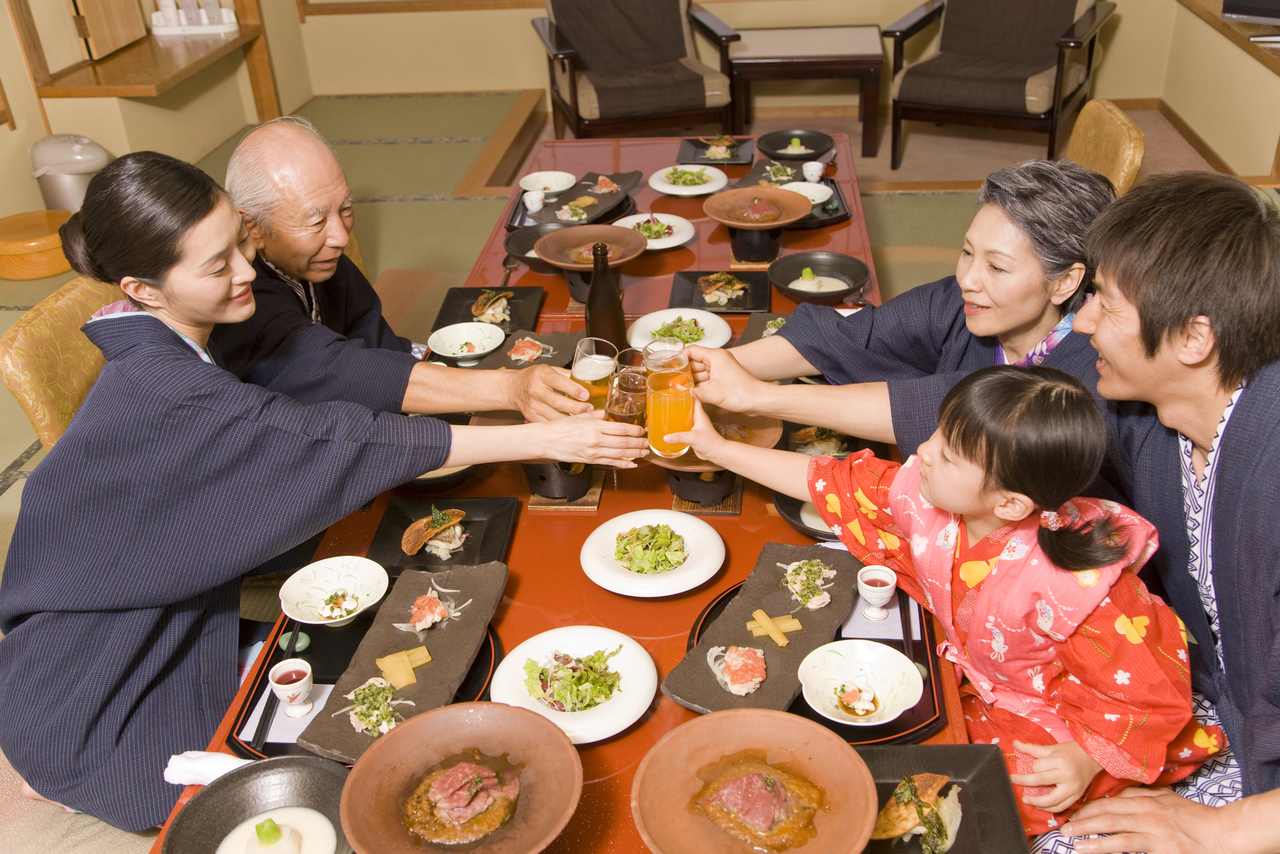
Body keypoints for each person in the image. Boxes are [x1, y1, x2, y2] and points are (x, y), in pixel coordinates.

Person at [0, 152, 645, 832]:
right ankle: (61, 775)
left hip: (158, 617)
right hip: (94, 689)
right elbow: (327, 439)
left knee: (374, 676)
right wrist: (540, 440)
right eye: (217, 266)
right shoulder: (170, 390)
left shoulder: (155, 337)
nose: (249, 273)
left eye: (240, 247)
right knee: (318, 800)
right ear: (144, 288)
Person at [670, 366, 1221, 837]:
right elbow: (828, 482)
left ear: (1010, 503)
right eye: (937, 433)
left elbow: (1147, 694)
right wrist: (715, 447)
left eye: (949, 454)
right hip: (965, 671)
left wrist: (1085, 756)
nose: (923, 452)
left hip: (1049, 716)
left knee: (974, 803)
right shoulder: (931, 495)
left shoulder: (1079, 588)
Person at [1050, 174, 1280, 854]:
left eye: (1106, 304)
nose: (1082, 320)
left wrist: (1219, 829)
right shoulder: (1163, 418)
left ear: (1193, 337)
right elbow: (1003, 425)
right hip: (1208, 710)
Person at [689, 159, 1117, 457]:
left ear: (1066, 281)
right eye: (967, 252)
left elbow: (945, 409)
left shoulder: (1094, 372)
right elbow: (846, 336)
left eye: (997, 266)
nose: (969, 279)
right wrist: (711, 365)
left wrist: (756, 398)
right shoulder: (963, 302)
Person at [208, 116, 591, 421]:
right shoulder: (241, 295)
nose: (340, 236)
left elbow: (376, 341)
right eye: (315, 221)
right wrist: (508, 389)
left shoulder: (316, 258)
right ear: (252, 226)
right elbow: (339, 369)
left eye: (345, 208)